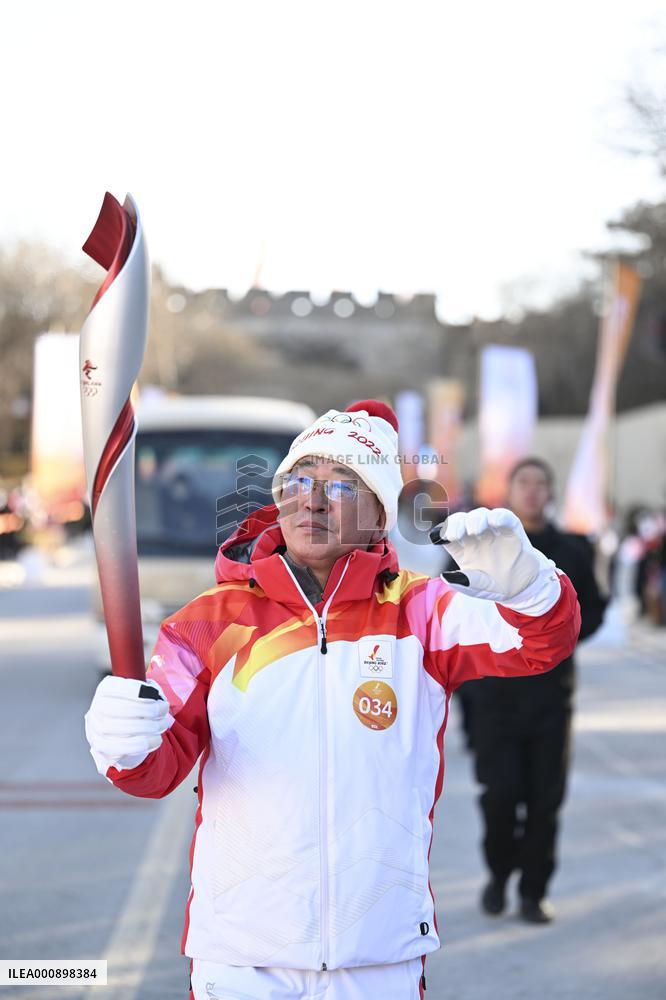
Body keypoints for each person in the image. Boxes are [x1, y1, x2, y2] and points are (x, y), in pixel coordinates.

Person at [84, 404, 580, 999]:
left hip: (379, 956)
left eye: (339, 486)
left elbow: (539, 645)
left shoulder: (419, 614)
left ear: (378, 516)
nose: (312, 502)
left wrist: (531, 586)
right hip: (243, 957)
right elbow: (151, 771)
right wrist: (124, 743)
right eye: (298, 481)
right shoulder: (208, 623)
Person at [472, 457, 607, 925]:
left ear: (549, 493)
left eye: (539, 483)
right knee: (501, 796)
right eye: (523, 483)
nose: (531, 491)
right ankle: (498, 872)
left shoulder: (571, 550)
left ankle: (533, 892)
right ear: (509, 492)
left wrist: (558, 635)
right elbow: (456, 615)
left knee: (545, 800)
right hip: (494, 697)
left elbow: (594, 607)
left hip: (551, 698)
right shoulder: (482, 549)